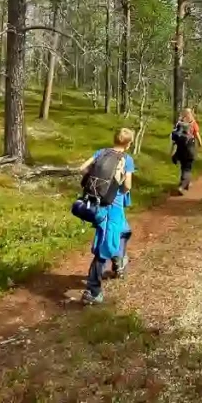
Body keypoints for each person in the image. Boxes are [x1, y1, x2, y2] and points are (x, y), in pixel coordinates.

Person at [77, 128, 135, 306]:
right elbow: (127, 185)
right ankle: (92, 290)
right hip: (112, 205)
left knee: (124, 231)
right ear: (129, 143)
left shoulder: (101, 152)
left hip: (96, 201)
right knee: (105, 245)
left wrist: (95, 185)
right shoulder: (127, 159)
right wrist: (119, 191)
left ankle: (118, 263)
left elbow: (82, 168)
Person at [170, 108, 202, 195]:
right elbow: (197, 135)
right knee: (187, 168)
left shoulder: (179, 123)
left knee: (183, 167)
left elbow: (174, 139)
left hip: (180, 150)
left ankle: (186, 183)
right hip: (189, 149)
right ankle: (182, 186)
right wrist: (200, 143)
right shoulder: (193, 123)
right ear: (191, 113)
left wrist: (172, 151)